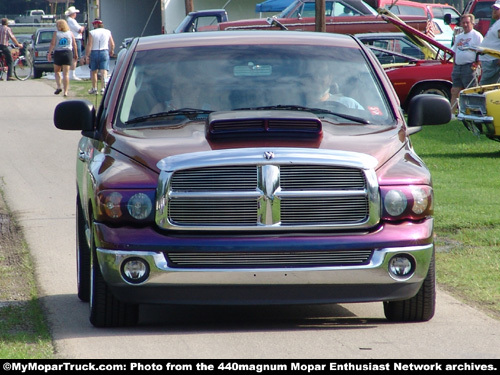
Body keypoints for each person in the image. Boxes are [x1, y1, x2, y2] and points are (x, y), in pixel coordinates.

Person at [450, 14, 483, 111]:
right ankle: (452, 113)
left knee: (471, 91)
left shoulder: (477, 36)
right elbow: (454, 51)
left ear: (472, 23)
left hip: (469, 67)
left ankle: (473, 111)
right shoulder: (458, 37)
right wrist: (454, 64)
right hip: (457, 67)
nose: (465, 25)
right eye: (463, 22)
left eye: (467, 22)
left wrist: (477, 65)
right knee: (454, 90)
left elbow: (482, 52)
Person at [47, 19, 78, 97]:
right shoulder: (70, 33)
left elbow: (52, 44)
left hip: (58, 53)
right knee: (66, 73)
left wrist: (49, 53)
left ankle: (58, 86)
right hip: (68, 52)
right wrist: (76, 54)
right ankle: (66, 91)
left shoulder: (56, 33)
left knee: (57, 71)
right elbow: (74, 44)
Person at [84, 19, 115, 95]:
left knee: (94, 71)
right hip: (104, 51)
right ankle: (103, 88)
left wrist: (87, 55)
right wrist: (112, 50)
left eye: (94, 24)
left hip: (94, 52)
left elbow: (90, 44)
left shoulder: (92, 32)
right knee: (103, 70)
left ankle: (94, 88)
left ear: (96, 25)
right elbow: (112, 43)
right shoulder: (107, 32)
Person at [479, 1, 500, 85]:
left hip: (493, 61)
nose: (494, 11)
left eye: (497, 9)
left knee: (484, 89)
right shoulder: (497, 23)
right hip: (489, 61)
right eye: (493, 8)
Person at [65, 6, 84, 81]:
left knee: (74, 57)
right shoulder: (72, 21)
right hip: (76, 39)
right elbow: (79, 30)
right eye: (75, 13)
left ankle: (71, 73)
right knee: (75, 57)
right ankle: (72, 74)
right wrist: (83, 28)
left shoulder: (69, 20)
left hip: (73, 38)